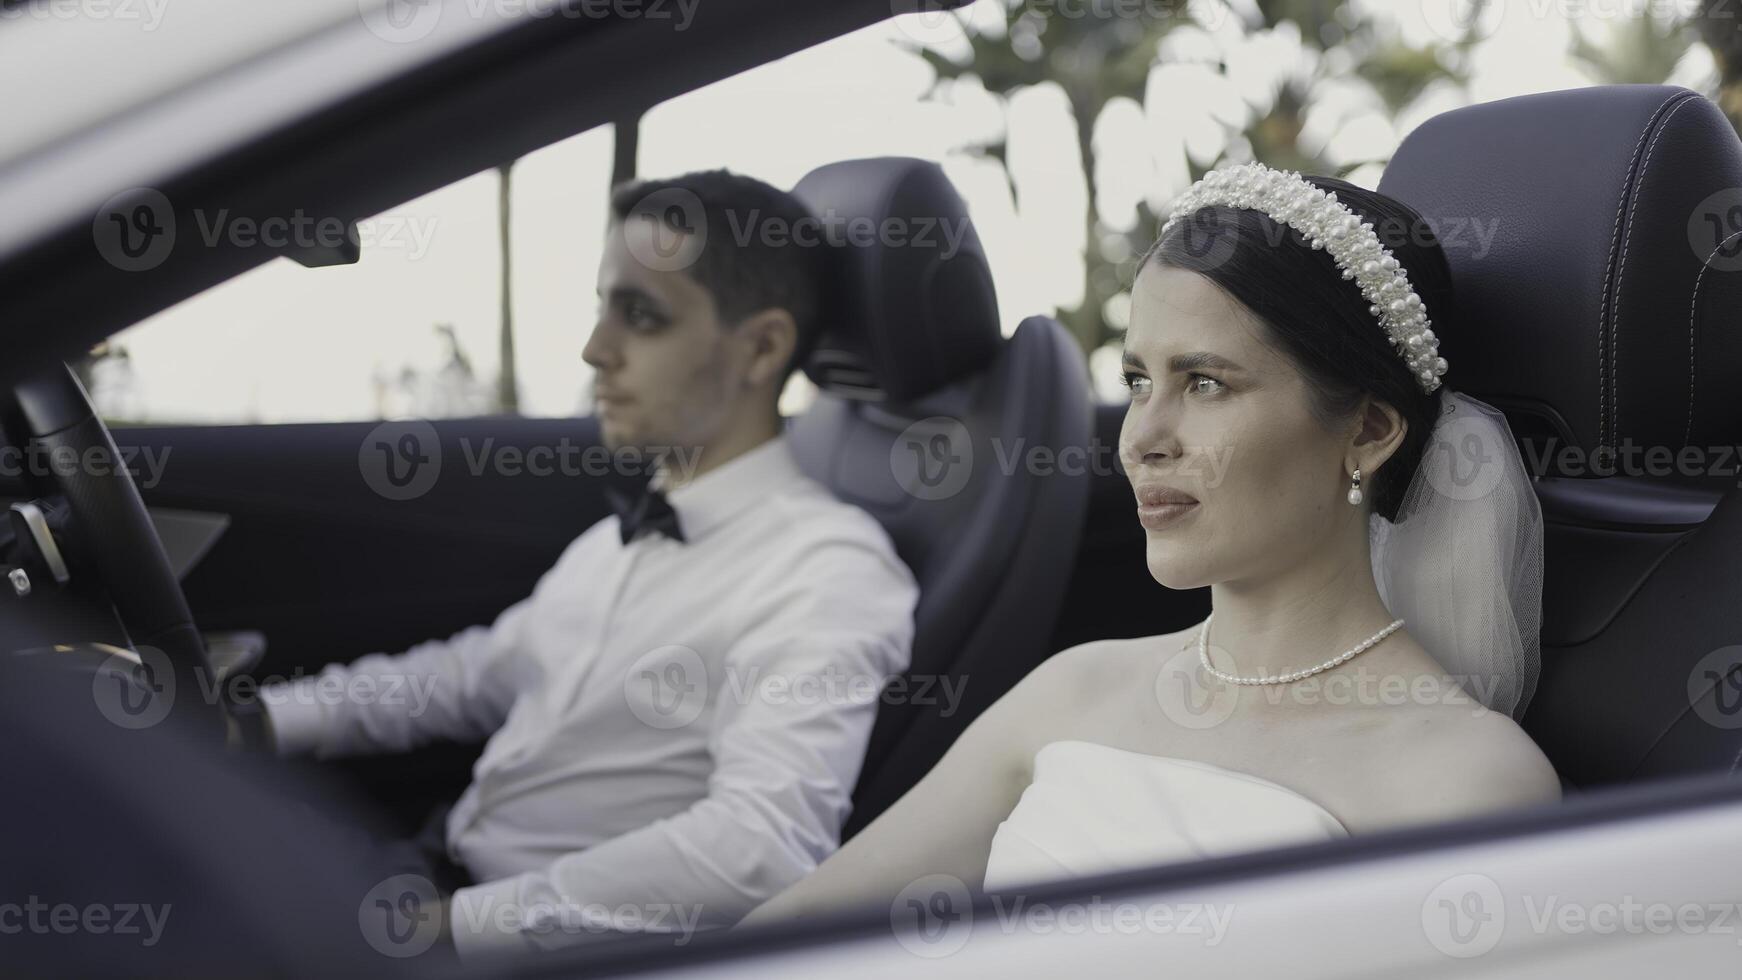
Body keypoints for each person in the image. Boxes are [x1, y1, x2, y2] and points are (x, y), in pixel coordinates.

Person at [741, 162, 1558, 923]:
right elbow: (778, 947)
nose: (1142, 439)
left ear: (1371, 431)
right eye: (1138, 382)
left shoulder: (1466, 783)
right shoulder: (1075, 689)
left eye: (1205, 383)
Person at [261, 170, 919, 956]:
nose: (594, 349)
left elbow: (761, 847)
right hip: (430, 871)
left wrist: (451, 929)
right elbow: (478, 674)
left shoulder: (827, 569)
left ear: (763, 347)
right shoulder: (619, 534)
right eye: (602, 306)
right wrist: (259, 720)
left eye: (640, 315)